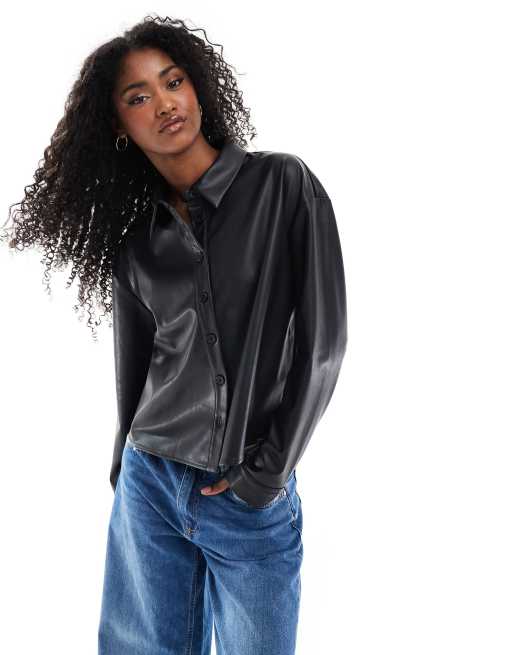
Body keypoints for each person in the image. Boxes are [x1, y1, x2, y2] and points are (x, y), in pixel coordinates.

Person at [2, 15, 347, 655]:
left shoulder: (282, 186)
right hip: (149, 484)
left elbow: (323, 346)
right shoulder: (138, 244)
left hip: (246, 490)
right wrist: (123, 470)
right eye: (138, 97)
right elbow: (132, 371)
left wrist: (267, 474)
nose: (164, 104)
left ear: (198, 88)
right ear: (119, 127)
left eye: (173, 81)